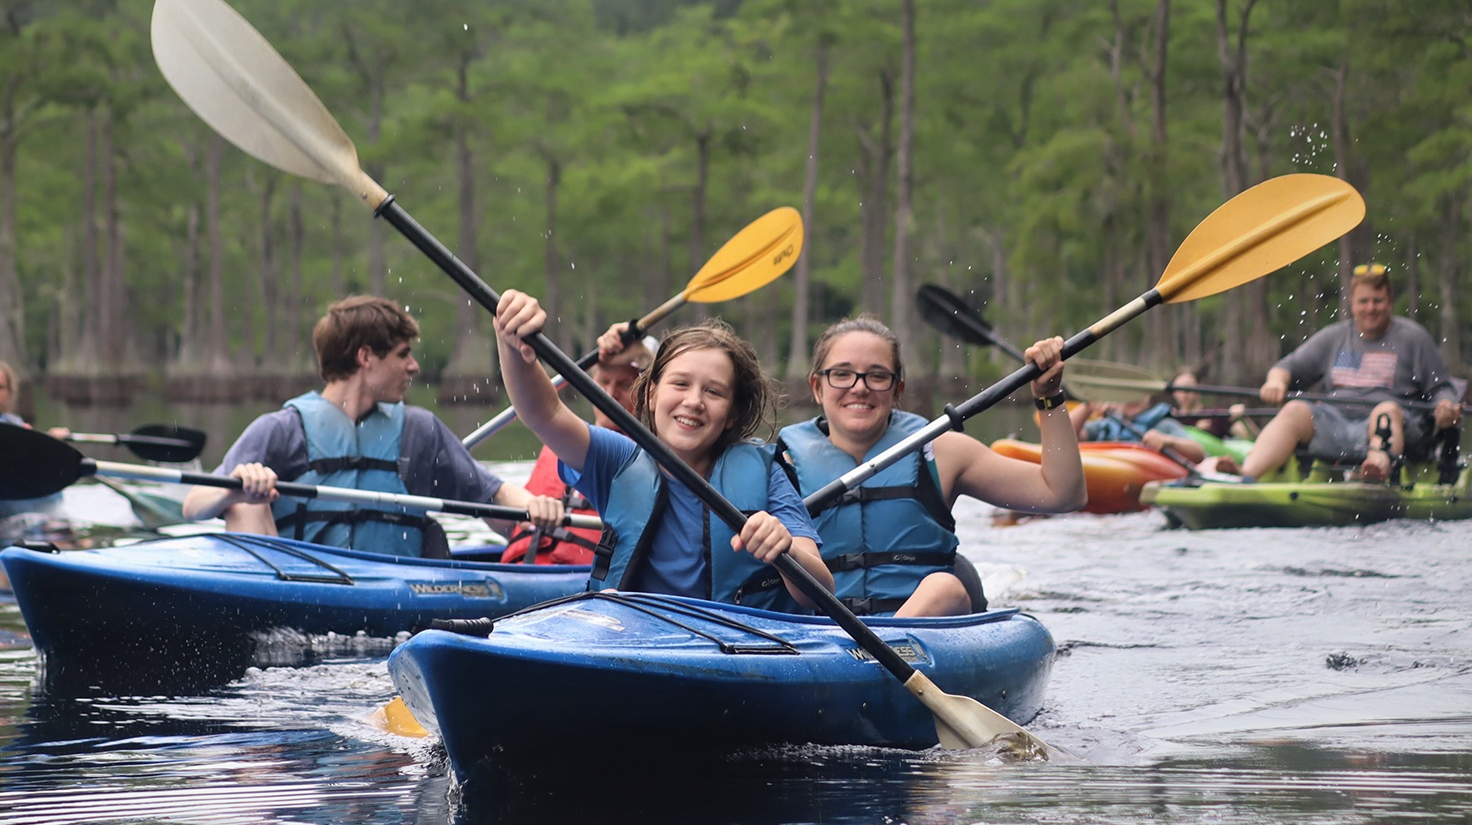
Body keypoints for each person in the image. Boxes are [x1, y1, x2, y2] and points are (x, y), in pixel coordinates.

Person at [492, 290, 835, 611]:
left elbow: (820, 591)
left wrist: (786, 549)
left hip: (737, 649)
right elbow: (544, 412)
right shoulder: (617, 461)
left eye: (713, 392)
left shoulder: (766, 472)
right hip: (639, 641)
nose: (694, 401)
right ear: (652, 394)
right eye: (680, 384)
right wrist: (510, 342)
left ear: (732, 413)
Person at [183, 295, 564, 558]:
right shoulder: (282, 430)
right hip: (298, 592)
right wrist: (237, 484)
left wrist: (536, 506)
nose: (414, 367)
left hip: (391, 597)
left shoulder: (419, 431)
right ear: (366, 357)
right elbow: (194, 506)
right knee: (244, 507)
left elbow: (493, 496)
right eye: (403, 355)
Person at [777, 316, 1085, 618]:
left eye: (877, 376)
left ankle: (881, 656)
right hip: (821, 639)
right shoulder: (782, 466)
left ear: (898, 390)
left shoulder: (940, 452)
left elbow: (1060, 493)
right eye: (842, 374)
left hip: (929, 629)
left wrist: (1048, 398)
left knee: (943, 587)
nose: (859, 388)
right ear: (817, 387)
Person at [1235, 265, 1462, 482]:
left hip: (1397, 425)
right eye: (1363, 301)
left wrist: (1445, 406)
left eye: (1378, 301)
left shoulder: (1414, 338)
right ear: (1352, 303)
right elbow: (1287, 368)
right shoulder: (1334, 337)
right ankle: (1245, 474)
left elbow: (1441, 388)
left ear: (1390, 301)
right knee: (1294, 409)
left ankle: (1376, 470)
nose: (1370, 308)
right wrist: (1275, 382)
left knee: (1386, 411)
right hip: (1337, 424)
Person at [499, 334, 656, 565]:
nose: (610, 394)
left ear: (646, 392)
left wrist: (644, 356)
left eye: (624, 385)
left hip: (579, 580)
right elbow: (539, 410)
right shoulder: (561, 440)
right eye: (603, 382)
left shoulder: (647, 455)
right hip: (523, 566)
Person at [1068, 391, 1206, 464]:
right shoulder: (1106, 426)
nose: (1133, 399)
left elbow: (1199, 453)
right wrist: (1088, 407)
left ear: (1148, 396)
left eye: (1138, 393)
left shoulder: (1163, 425)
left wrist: (1168, 441)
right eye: (1126, 394)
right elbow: (1064, 437)